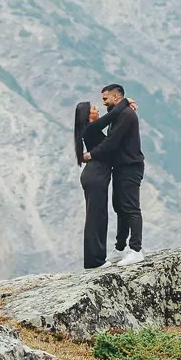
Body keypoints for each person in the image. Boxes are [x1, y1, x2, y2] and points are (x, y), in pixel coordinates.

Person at [85, 83, 144, 265]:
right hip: (120, 168)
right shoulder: (118, 114)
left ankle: (136, 249)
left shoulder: (126, 115)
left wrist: (90, 155)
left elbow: (111, 142)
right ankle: (119, 248)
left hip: (130, 167)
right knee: (120, 207)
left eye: (105, 99)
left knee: (131, 208)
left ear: (115, 97)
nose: (103, 103)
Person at [73, 100, 112, 269]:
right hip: (95, 176)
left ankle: (96, 259)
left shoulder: (90, 129)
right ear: (88, 115)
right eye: (94, 108)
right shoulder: (91, 128)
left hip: (96, 175)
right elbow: (112, 116)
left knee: (98, 216)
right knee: (95, 218)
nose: (98, 109)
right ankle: (95, 261)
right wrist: (125, 102)